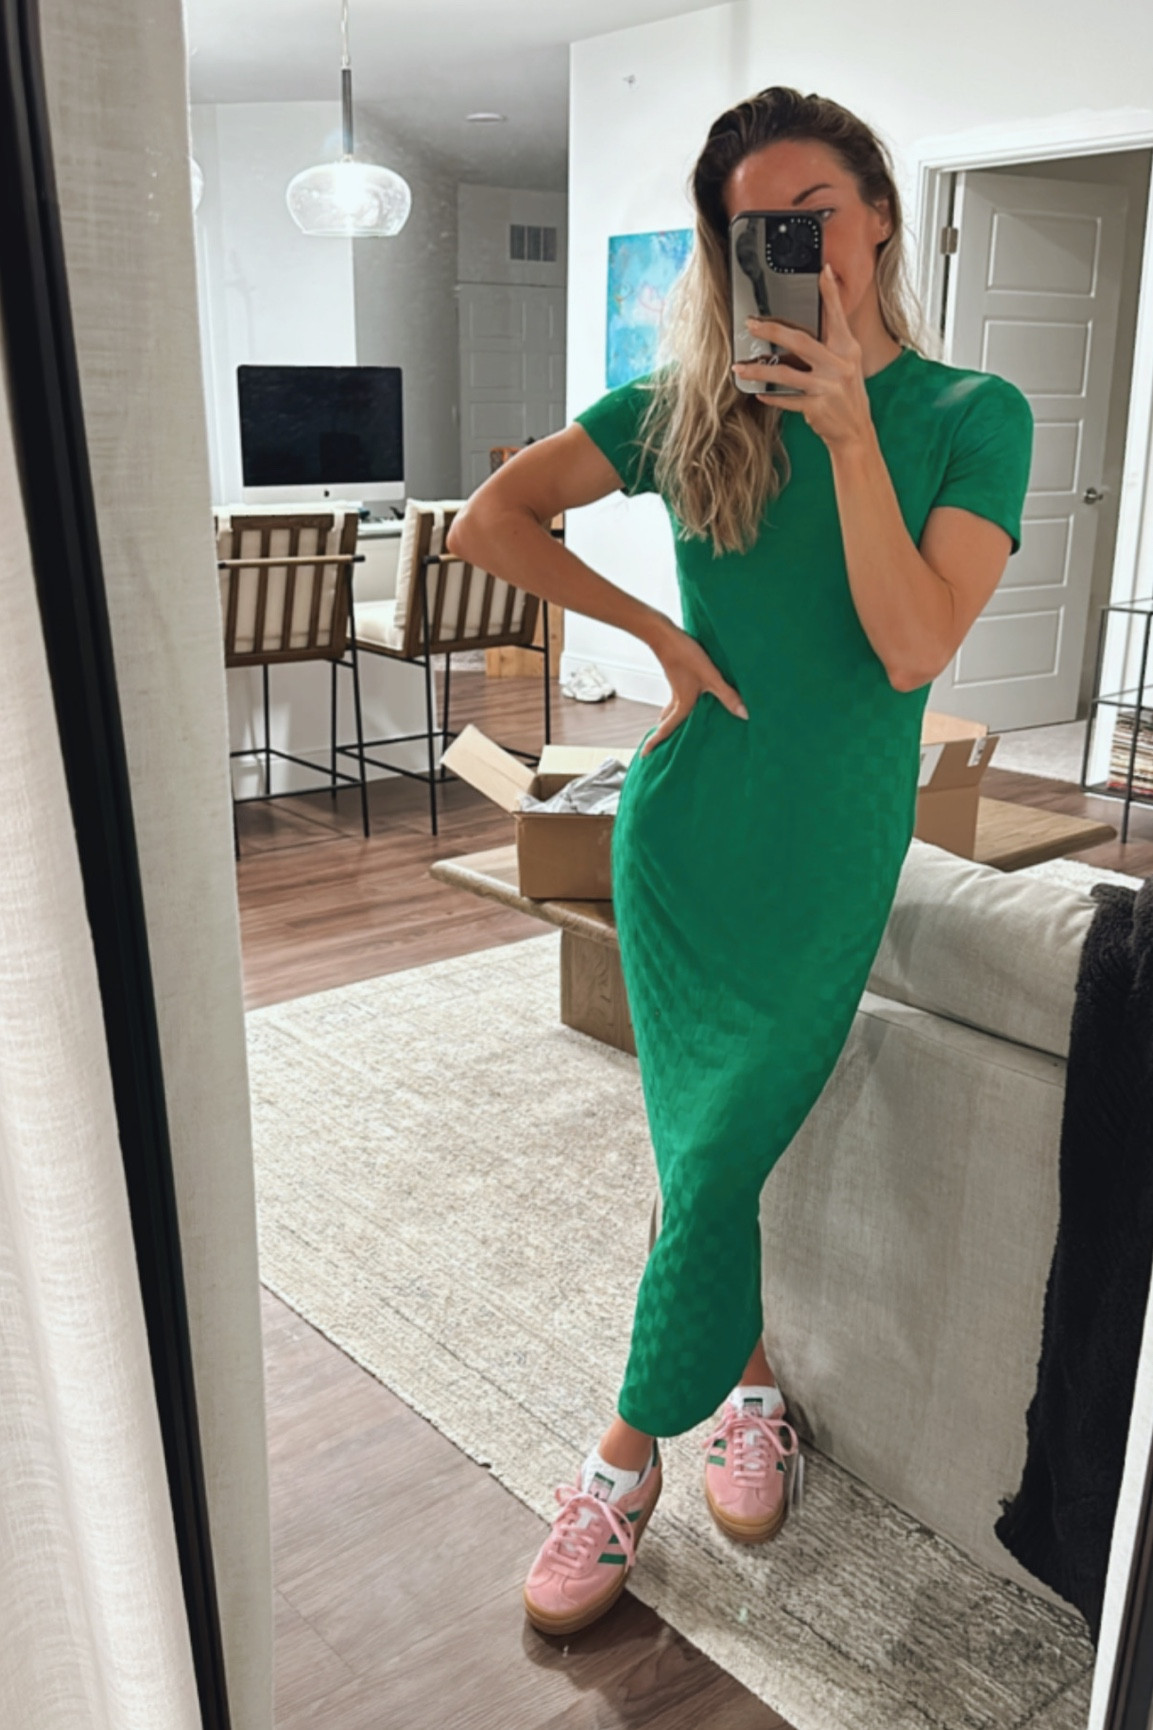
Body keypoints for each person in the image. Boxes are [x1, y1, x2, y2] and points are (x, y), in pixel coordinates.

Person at [444, 84, 1034, 1639]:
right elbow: (488, 524)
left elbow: (908, 645)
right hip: (685, 829)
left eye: (809, 214)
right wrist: (653, 633)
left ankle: (619, 1456)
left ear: (877, 217)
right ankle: (736, 1395)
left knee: (711, 1149)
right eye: (751, 228)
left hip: (829, 836)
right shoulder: (686, 406)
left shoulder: (973, 415)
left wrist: (847, 432)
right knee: (700, 1151)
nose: (786, 246)